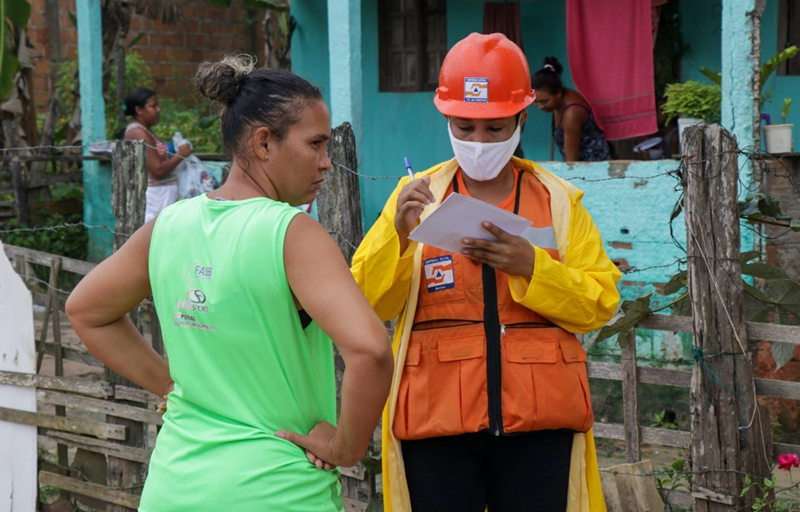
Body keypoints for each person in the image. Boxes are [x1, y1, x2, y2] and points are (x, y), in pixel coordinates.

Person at [66, 56, 394, 512]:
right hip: (275, 490)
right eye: (316, 144)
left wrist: (170, 386)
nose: (326, 163)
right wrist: (345, 449)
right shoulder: (291, 232)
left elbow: (85, 310)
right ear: (263, 143)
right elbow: (372, 350)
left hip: (174, 488)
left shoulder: (168, 226)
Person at [351, 33, 621, 512]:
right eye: (465, 127)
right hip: (435, 424)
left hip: (540, 427)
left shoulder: (557, 201)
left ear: (521, 119)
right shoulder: (413, 198)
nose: (479, 142)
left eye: (495, 128)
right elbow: (367, 304)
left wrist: (532, 267)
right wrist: (398, 235)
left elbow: (599, 303)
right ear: (447, 120)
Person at [123, 88, 192, 222]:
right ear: (139, 110)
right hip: (157, 197)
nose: (158, 109)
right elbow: (158, 170)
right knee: (156, 237)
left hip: (162, 196)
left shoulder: (145, 130)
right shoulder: (139, 132)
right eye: (153, 106)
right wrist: (180, 155)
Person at [531, 57, 610, 162]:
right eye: (535, 102)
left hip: (595, 168)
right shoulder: (557, 101)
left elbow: (571, 161)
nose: (540, 106)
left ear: (558, 93)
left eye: (544, 101)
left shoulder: (572, 113)